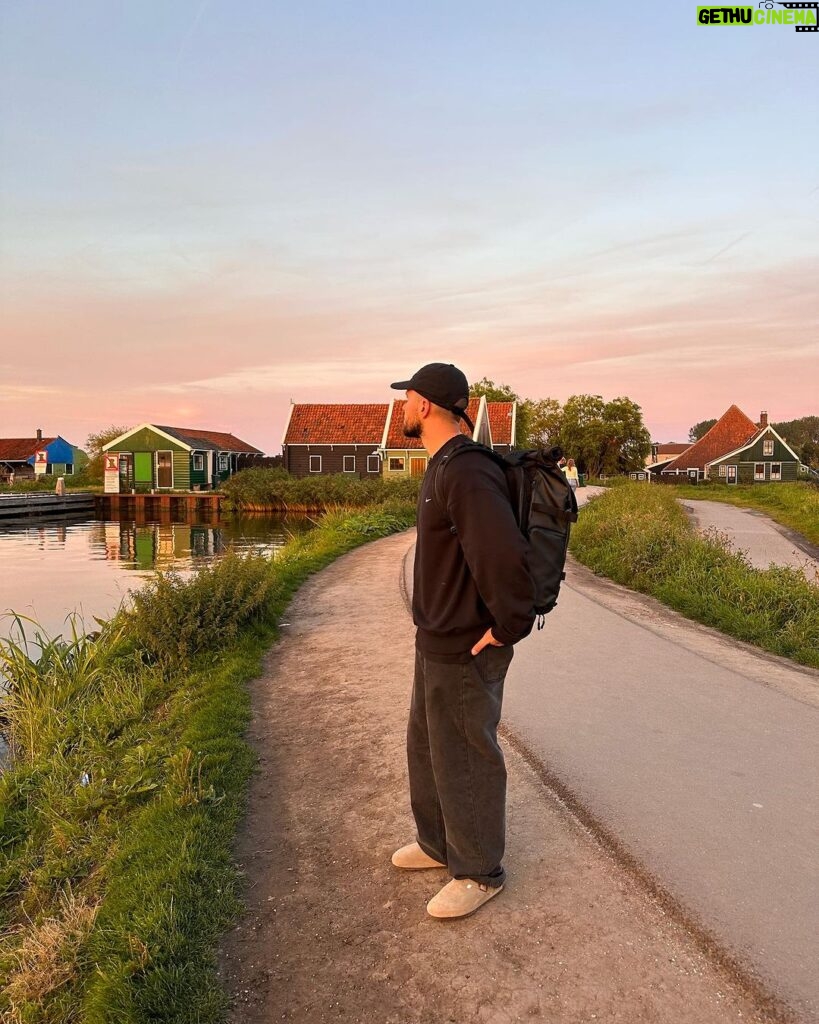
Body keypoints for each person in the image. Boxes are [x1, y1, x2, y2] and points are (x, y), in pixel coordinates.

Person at [389, 362, 535, 920]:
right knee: (427, 746)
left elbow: (501, 554)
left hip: (468, 642)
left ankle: (478, 871)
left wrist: (506, 627)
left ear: (425, 405)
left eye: (407, 398)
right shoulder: (441, 466)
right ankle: (438, 844)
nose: (403, 407)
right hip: (435, 638)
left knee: (467, 755)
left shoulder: (467, 471)